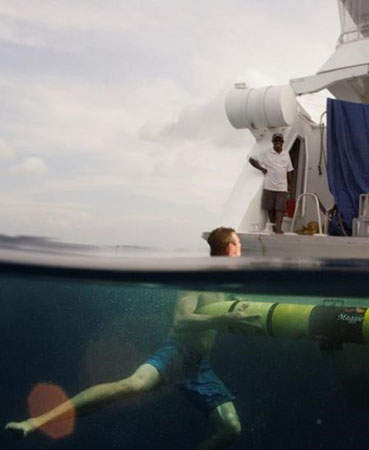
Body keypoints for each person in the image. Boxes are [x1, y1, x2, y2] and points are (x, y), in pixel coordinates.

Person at [5, 227, 261, 449]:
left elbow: (231, 309)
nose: (241, 248)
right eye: (238, 243)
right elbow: (182, 321)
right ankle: (34, 422)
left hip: (198, 365)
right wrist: (225, 319)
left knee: (231, 429)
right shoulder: (197, 278)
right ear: (229, 248)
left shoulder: (226, 282)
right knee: (131, 386)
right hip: (178, 352)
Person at [249, 133, 295, 234]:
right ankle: (273, 226)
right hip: (269, 186)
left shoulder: (286, 154)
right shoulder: (266, 153)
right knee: (270, 208)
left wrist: (291, 185)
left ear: (282, 143)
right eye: (276, 141)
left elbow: (289, 170)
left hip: (282, 187)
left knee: (280, 209)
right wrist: (262, 169)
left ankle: (278, 229)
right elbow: (251, 159)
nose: (278, 143)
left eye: (280, 141)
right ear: (273, 142)